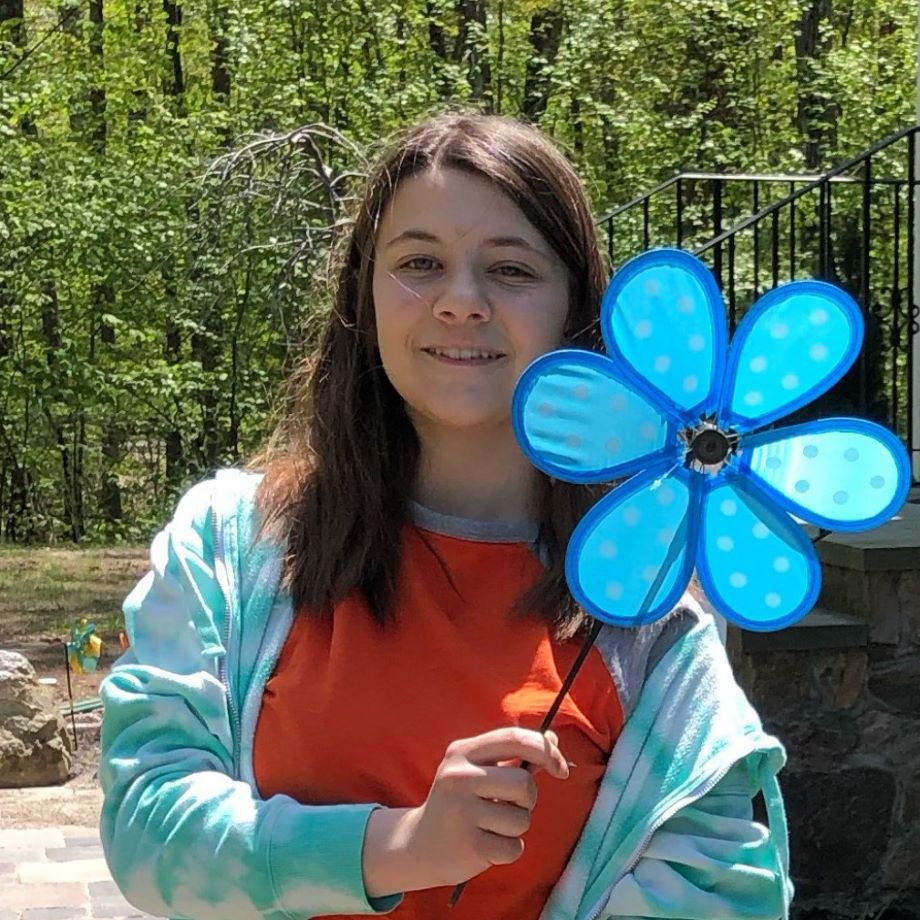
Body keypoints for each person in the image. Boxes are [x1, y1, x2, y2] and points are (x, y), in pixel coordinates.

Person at [99, 113, 794, 920]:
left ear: (577, 315)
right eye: (420, 263)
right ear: (364, 297)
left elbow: (726, 890)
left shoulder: (645, 613)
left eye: (511, 269)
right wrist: (399, 847)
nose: (461, 301)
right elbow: (147, 827)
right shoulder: (230, 546)